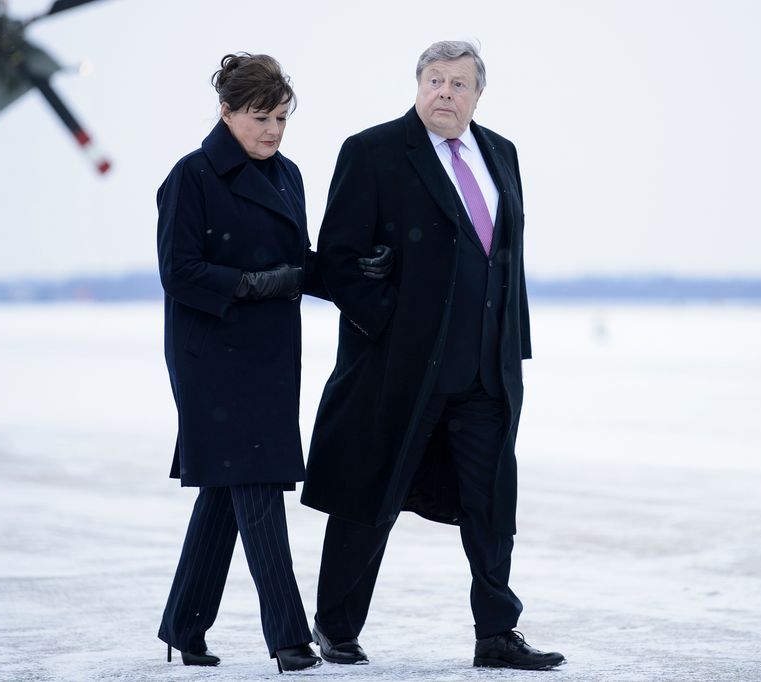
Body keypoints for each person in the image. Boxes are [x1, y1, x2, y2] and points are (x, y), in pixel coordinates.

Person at [301, 41, 565, 670]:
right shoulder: (372, 152)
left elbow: (507, 259)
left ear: (479, 95)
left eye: (459, 83)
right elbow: (335, 259)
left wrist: (513, 346)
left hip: (485, 369)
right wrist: (389, 321)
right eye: (435, 80)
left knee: (491, 502)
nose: (445, 92)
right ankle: (336, 627)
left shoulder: (501, 153)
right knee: (372, 494)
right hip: (399, 369)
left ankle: (497, 634)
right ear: (417, 85)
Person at [154, 53, 392, 673]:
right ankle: (289, 640)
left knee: (227, 493)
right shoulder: (193, 177)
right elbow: (178, 273)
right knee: (257, 489)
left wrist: (356, 272)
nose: (273, 131)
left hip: (271, 357)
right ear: (227, 112)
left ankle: (183, 625)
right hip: (212, 361)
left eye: (282, 118)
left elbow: (301, 263)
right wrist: (254, 284)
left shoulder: (288, 175)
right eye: (260, 117)